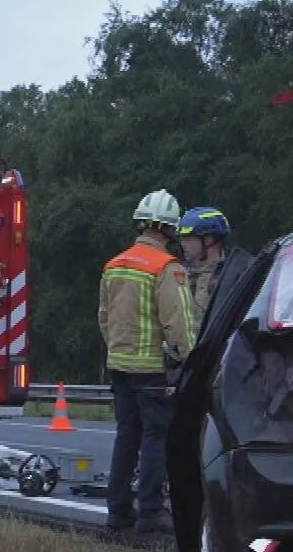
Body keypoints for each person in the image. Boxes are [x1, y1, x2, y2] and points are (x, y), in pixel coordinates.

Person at [98, 189, 193, 534]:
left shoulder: (114, 265)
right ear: (170, 229)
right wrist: (189, 360)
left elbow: (104, 317)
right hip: (152, 370)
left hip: (119, 366)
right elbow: (178, 322)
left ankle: (118, 510)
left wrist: (116, 350)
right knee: (155, 437)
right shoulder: (166, 268)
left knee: (126, 436)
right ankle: (150, 512)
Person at [176, 205, 251, 337]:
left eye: (188, 238)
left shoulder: (235, 276)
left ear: (208, 239)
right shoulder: (181, 274)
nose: (183, 244)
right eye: (181, 239)